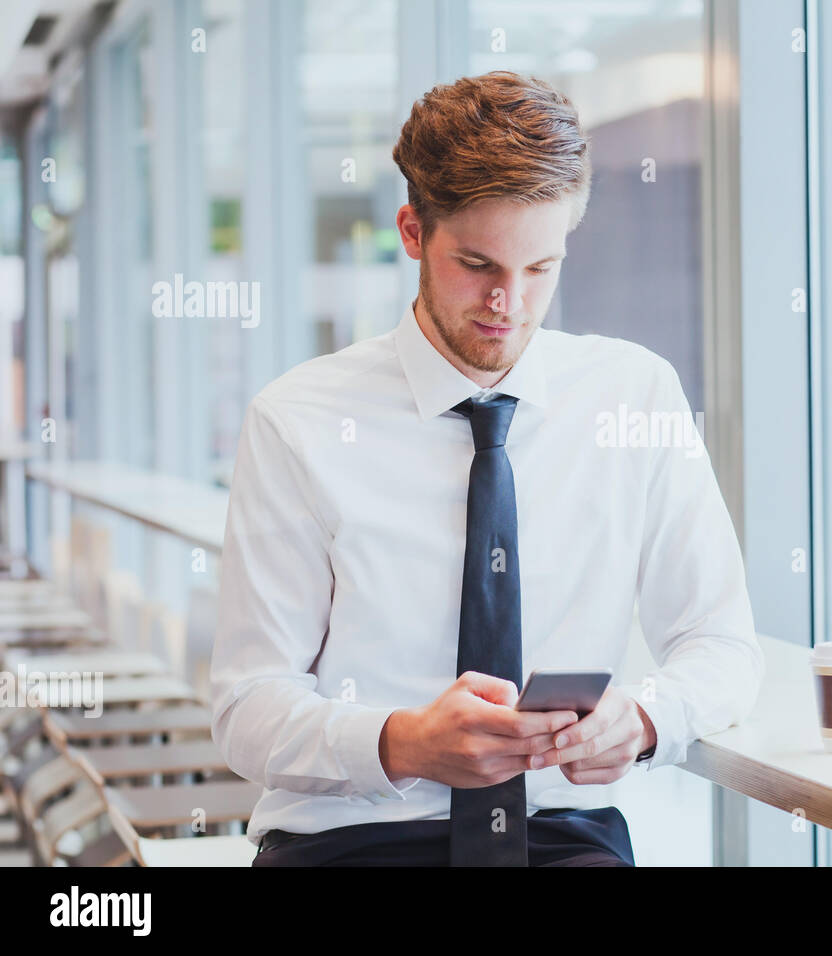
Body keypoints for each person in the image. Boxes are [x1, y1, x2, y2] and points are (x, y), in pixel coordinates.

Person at [210, 70, 764, 867]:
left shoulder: (633, 394)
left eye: (541, 269)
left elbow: (721, 645)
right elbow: (246, 705)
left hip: (560, 837)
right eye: (478, 265)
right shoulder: (297, 420)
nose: (509, 304)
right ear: (412, 231)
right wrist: (403, 742)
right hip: (354, 836)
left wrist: (642, 721)